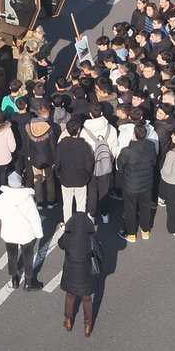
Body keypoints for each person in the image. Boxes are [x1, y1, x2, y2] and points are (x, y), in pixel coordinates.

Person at [58, 203, 104, 337]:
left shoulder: (68, 237)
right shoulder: (90, 238)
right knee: (87, 299)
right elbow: (100, 254)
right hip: (87, 275)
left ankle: (68, 320)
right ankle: (88, 325)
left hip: (70, 274)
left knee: (70, 295)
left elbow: (61, 245)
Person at [0, 171, 45, 289]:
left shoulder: (2, 198)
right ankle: (29, 281)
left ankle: (14, 278)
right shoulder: (27, 198)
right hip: (26, 234)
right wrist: (38, 234)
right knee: (28, 256)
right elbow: (35, 218)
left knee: (11, 254)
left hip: (9, 233)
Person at [116, 123, 157, 241]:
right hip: (146, 183)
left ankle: (131, 234)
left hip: (130, 185)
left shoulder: (126, 151)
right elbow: (154, 161)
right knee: (145, 207)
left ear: (134, 135)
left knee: (130, 209)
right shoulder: (150, 145)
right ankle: (145, 231)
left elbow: (120, 166)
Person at [80, 104, 118, 223]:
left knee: (91, 190)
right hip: (106, 164)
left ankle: (91, 214)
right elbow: (114, 149)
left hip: (91, 165)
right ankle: (104, 214)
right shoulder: (111, 129)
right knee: (104, 190)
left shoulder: (84, 131)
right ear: (102, 113)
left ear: (90, 114)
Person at [55, 117, 94, 222]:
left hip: (65, 179)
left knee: (67, 204)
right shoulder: (84, 145)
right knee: (81, 205)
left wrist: (59, 175)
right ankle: (79, 225)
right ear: (79, 130)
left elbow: (57, 163)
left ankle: (67, 225)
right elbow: (89, 164)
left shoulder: (61, 144)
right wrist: (87, 175)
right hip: (81, 179)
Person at [22, 104, 59, 209]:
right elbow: (53, 145)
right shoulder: (49, 128)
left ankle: (39, 201)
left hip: (35, 157)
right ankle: (51, 200)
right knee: (50, 179)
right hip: (48, 158)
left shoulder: (30, 125)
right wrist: (55, 157)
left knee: (37, 179)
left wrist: (29, 155)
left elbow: (28, 142)